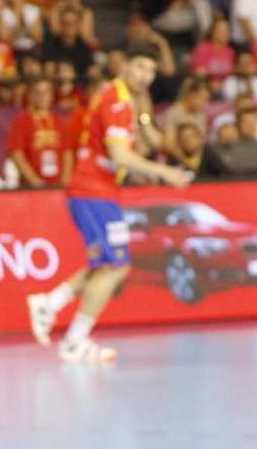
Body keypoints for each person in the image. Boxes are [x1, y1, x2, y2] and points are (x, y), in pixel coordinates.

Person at [24, 41, 191, 363]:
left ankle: (53, 308)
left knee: (106, 266)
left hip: (100, 190)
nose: (146, 75)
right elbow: (118, 153)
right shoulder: (117, 99)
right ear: (124, 64)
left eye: (152, 71)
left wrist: (138, 172)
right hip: (93, 192)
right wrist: (164, 171)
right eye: (141, 66)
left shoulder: (119, 98)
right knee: (116, 266)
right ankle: (72, 337)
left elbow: (114, 155)